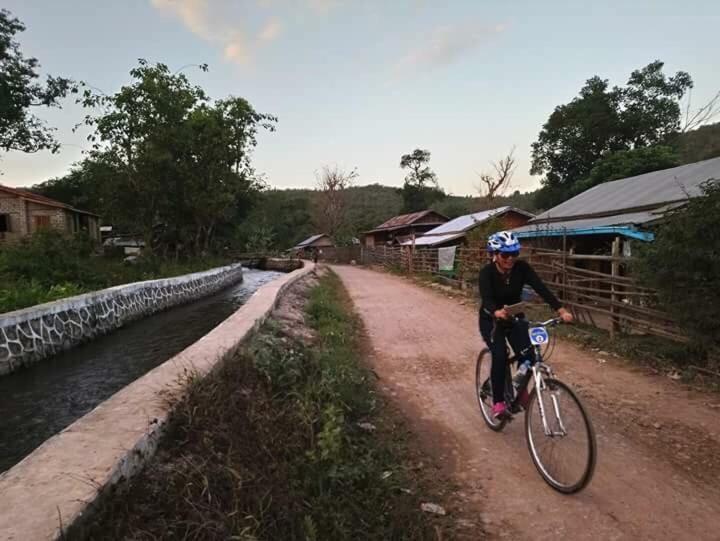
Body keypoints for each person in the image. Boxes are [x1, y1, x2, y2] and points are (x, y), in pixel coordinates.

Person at [479, 231, 573, 419]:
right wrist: (496, 311)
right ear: (495, 255)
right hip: (492, 320)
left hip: (514, 317)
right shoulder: (486, 273)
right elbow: (487, 299)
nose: (511, 259)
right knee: (499, 356)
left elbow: (541, 288)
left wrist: (560, 310)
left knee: (529, 355)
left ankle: (520, 390)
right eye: (505, 255)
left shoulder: (522, 268)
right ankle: (498, 402)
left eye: (514, 254)